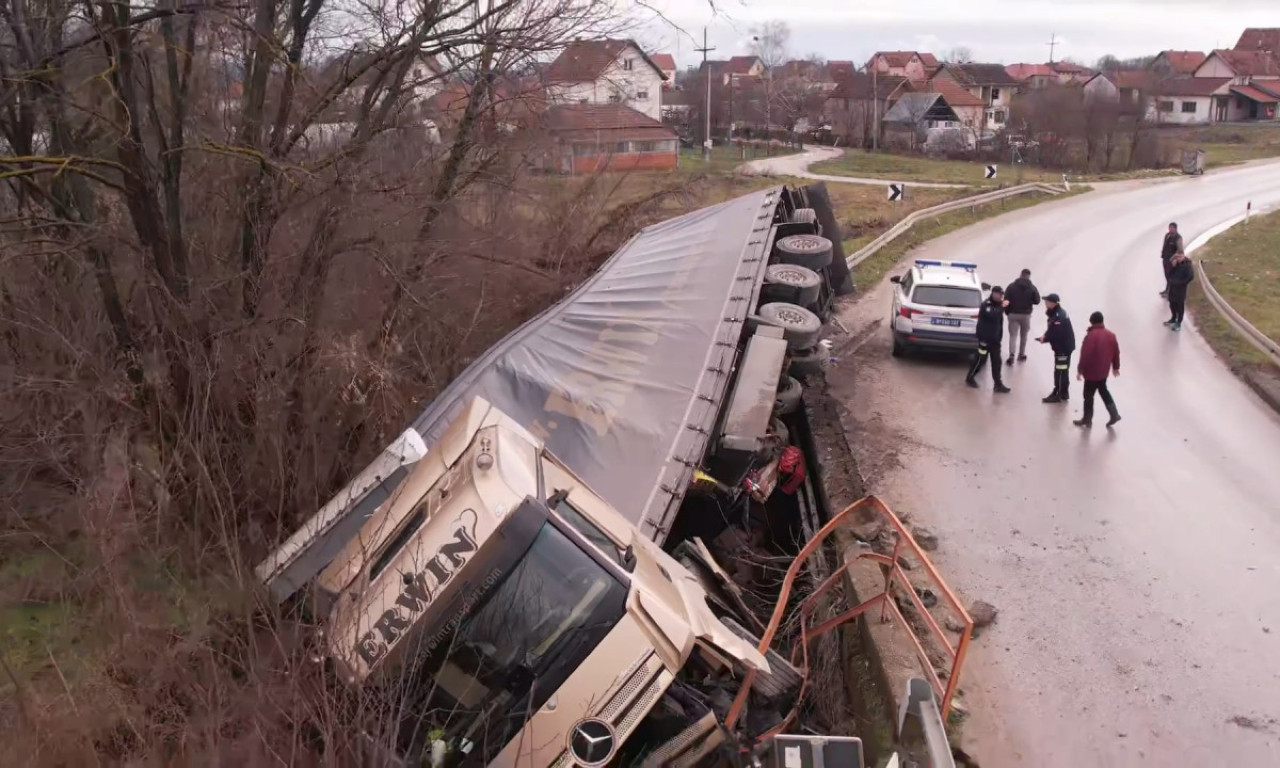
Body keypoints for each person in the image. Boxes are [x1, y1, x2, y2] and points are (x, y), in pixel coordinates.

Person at [1073, 311, 1122, 429]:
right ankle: (1114, 413)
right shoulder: (1111, 335)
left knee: (1088, 395)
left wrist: (1080, 370)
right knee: (1103, 390)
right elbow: (1116, 352)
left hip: (1091, 372)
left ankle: (1087, 419)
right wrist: (1115, 367)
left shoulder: (1091, 336)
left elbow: (1085, 354)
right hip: (1103, 371)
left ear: (1091, 322)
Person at [966, 286, 1013, 393]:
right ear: (993, 294)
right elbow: (993, 315)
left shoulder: (998, 305)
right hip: (985, 339)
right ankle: (970, 377)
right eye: (998, 294)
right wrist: (1002, 306)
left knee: (997, 361)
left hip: (995, 340)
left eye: (1001, 295)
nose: (1000, 296)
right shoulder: (986, 305)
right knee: (980, 359)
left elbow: (1001, 318)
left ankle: (998, 384)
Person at [1035, 293, 1076, 403]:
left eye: (1047, 302)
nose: (1045, 303)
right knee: (1063, 370)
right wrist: (1045, 336)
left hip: (1063, 348)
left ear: (1053, 303)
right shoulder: (1056, 313)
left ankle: (1058, 393)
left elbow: (1057, 333)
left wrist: (1046, 338)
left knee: (1060, 371)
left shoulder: (1059, 316)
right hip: (1063, 347)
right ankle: (1063, 393)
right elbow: (1052, 329)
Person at [1004, 268, 1041, 365]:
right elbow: (1037, 301)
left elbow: (1006, 300)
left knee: (1013, 336)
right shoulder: (1032, 288)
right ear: (1029, 276)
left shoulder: (1011, 286)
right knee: (1024, 336)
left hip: (1013, 314)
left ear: (1020, 274)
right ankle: (1021, 354)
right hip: (1025, 315)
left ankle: (1011, 355)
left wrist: (1007, 312)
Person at [1165, 250, 1195, 331]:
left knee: (1180, 306)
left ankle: (1179, 323)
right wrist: (1172, 265)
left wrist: (1182, 283)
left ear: (1183, 256)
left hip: (1180, 289)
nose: (1178, 258)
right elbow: (1168, 272)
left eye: (1180, 257)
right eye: (1177, 257)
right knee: (1172, 304)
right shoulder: (1175, 264)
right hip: (1173, 287)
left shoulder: (1187, 265)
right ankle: (1173, 318)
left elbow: (1191, 276)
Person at [1159, 223, 1183, 298]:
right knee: (1167, 275)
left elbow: (1180, 250)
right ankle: (1167, 290)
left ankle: (1170, 292)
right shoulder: (1167, 235)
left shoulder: (1178, 238)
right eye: (1169, 228)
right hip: (1165, 258)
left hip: (1172, 260)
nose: (1170, 229)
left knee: (1171, 276)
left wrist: (1175, 258)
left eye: (1172, 228)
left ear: (1175, 229)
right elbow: (1164, 245)